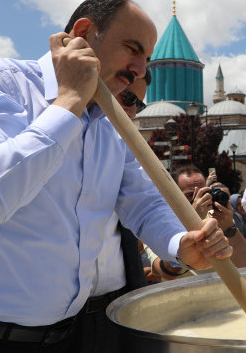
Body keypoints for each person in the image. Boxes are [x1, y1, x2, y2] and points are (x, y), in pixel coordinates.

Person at [0, 0, 231, 352]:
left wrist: (180, 244)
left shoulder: (111, 125)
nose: (141, 70)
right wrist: (69, 102)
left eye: (147, 58)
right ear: (83, 32)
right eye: (132, 48)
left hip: (70, 336)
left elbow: (142, 201)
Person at [68, 68, 153, 353]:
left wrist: (181, 245)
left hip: (113, 311)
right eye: (128, 98)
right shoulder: (55, 137)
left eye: (139, 104)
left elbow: (147, 206)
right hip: (57, 320)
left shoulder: (123, 148)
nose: (132, 111)